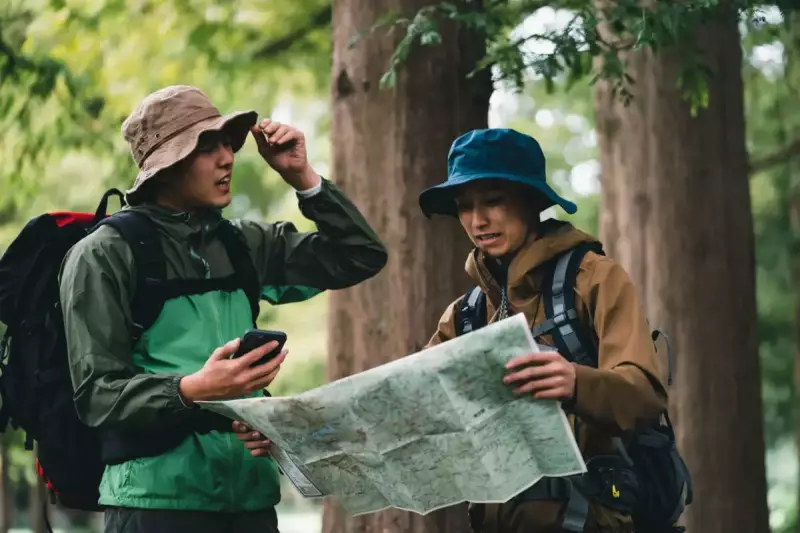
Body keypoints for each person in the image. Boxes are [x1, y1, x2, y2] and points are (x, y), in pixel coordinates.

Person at [58, 85, 388, 533]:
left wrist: (304, 179)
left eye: (227, 144)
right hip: (156, 505)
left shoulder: (243, 244)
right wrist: (193, 389)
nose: (228, 158)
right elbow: (97, 395)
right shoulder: (104, 254)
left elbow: (360, 256)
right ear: (166, 164)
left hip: (251, 500)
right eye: (206, 148)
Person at [417, 128, 668, 533]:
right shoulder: (464, 314)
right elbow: (418, 404)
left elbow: (645, 396)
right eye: (464, 206)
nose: (478, 220)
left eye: (494, 201)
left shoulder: (593, 279)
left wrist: (576, 384)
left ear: (531, 200)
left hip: (591, 520)